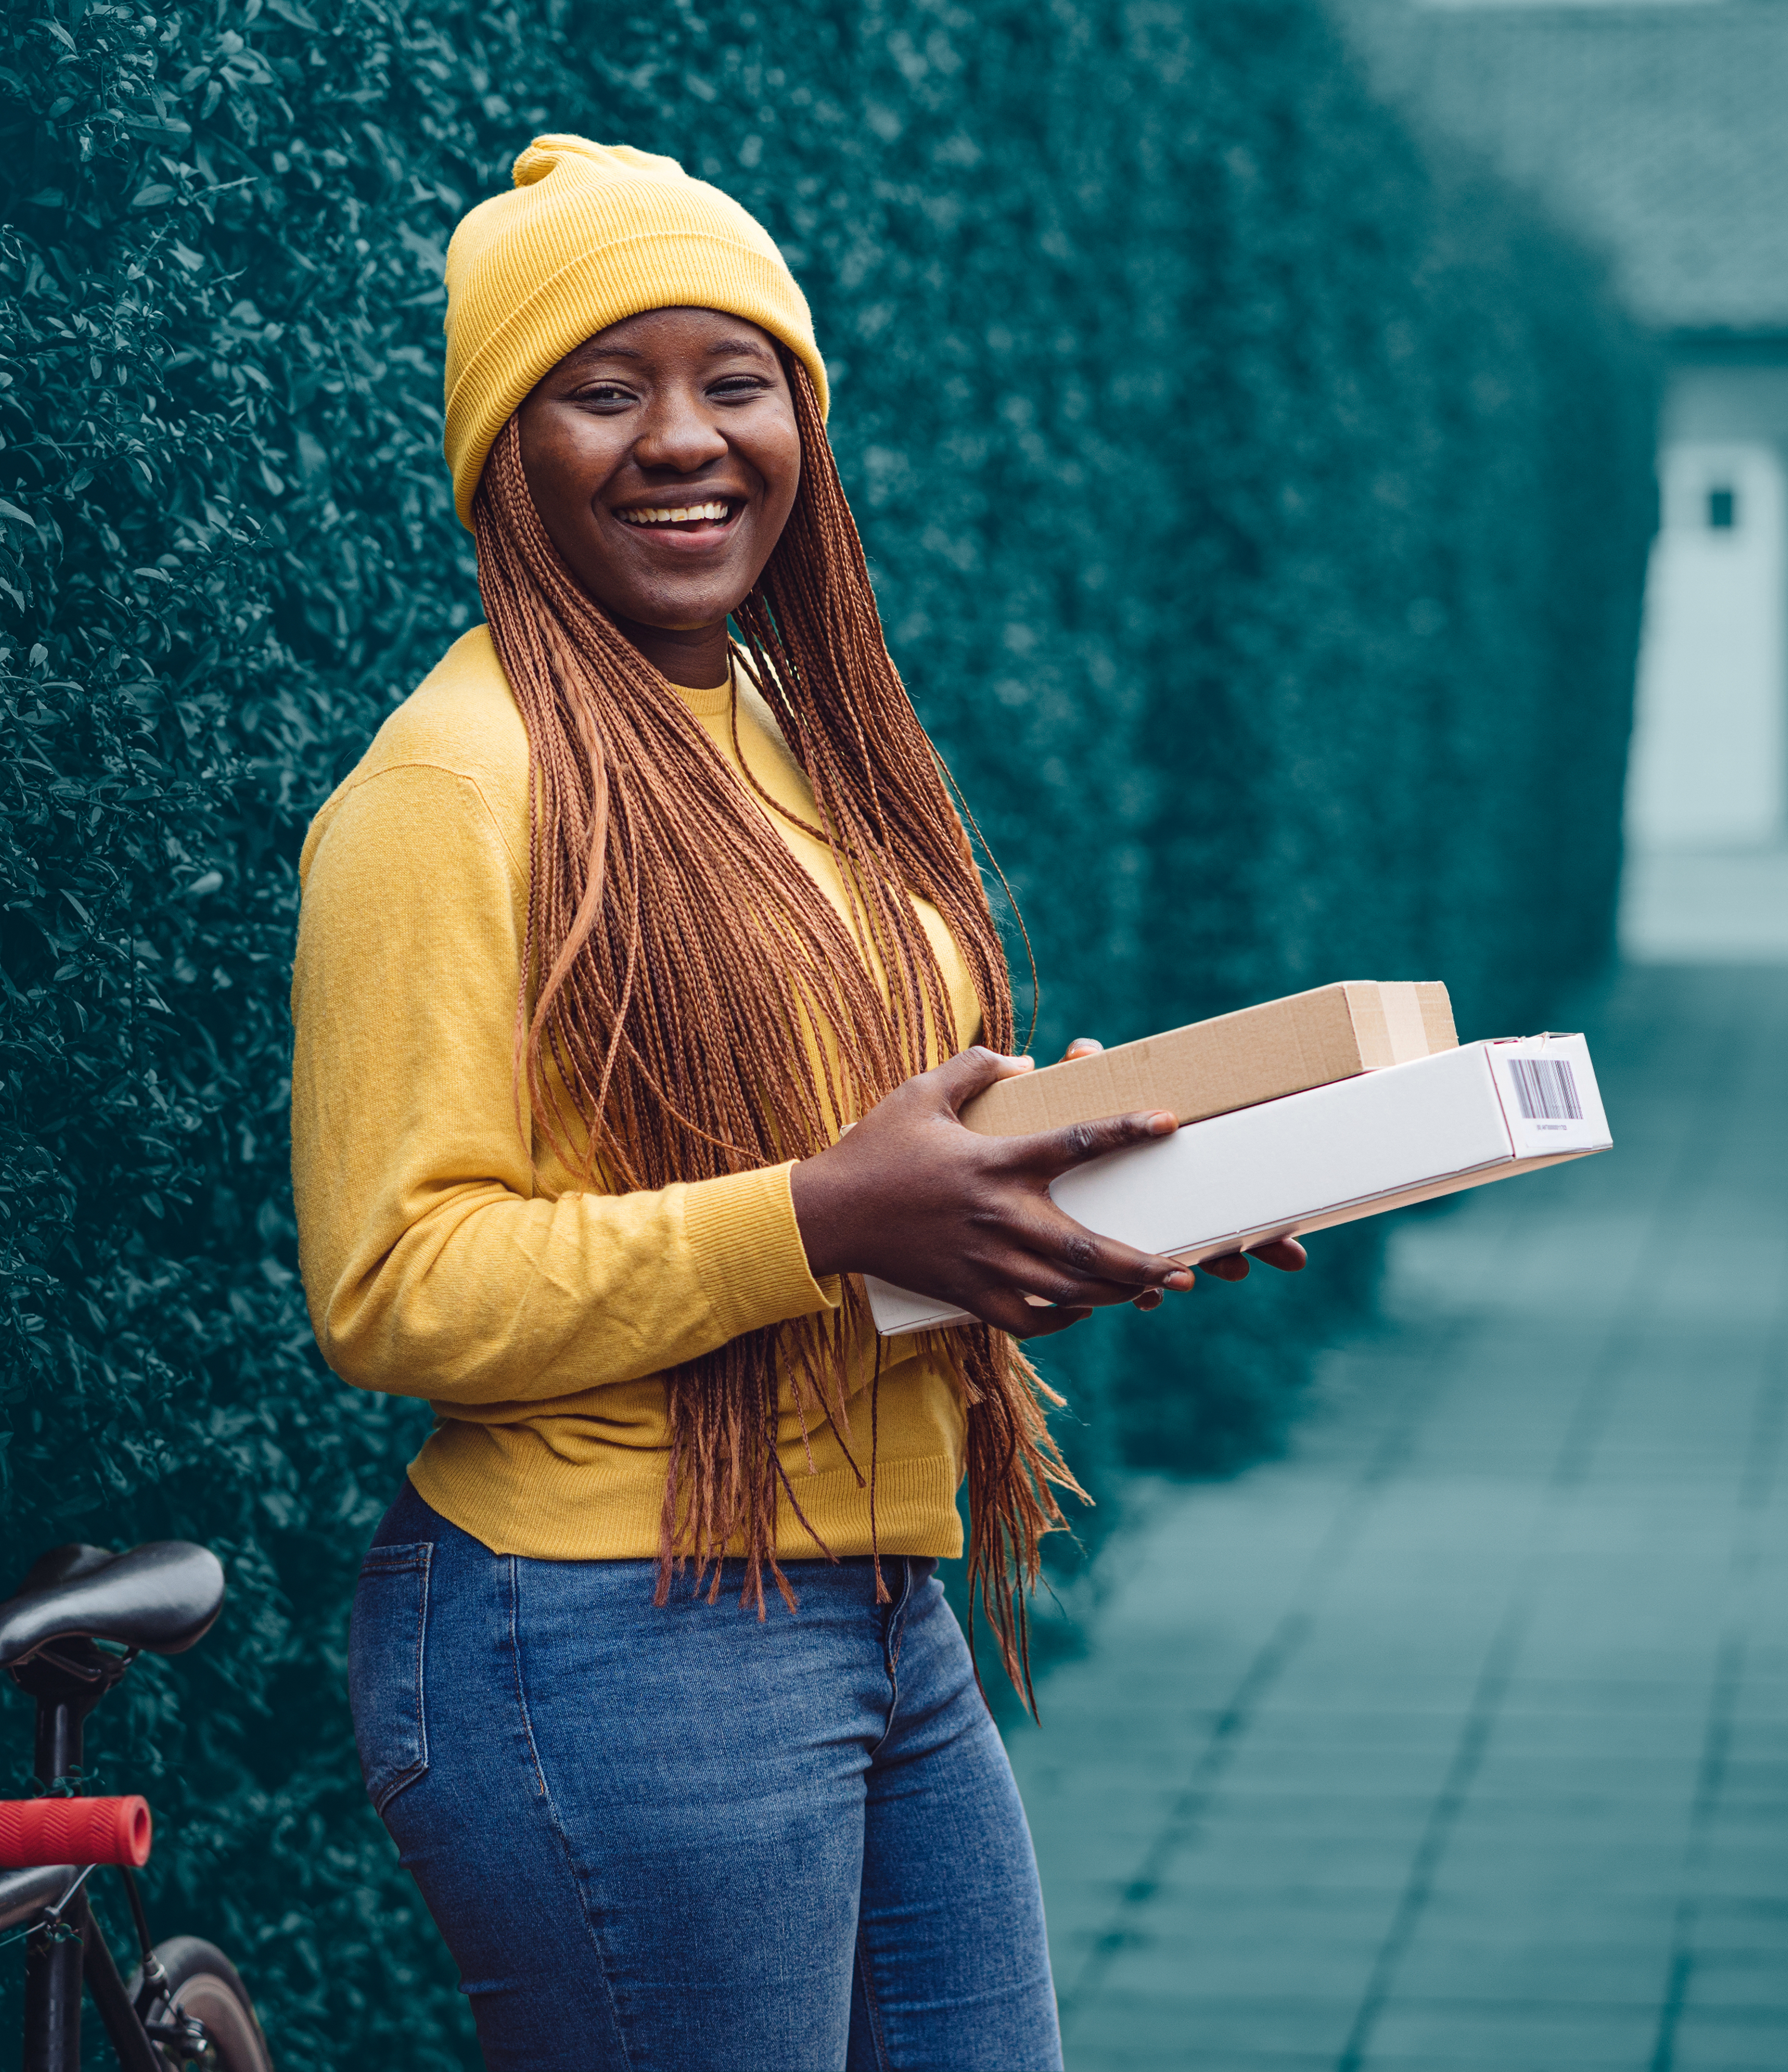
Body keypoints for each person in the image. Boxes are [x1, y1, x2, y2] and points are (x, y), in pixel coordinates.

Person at [289, 136, 1304, 2072]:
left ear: (801, 423)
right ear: (508, 447)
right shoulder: (450, 789)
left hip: (862, 1590)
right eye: (604, 390)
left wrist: (1083, 1184)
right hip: (599, 1624)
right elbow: (395, 1283)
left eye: (732, 379)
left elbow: (860, 1141)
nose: (683, 439)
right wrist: (827, 1220)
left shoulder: (781, 730)